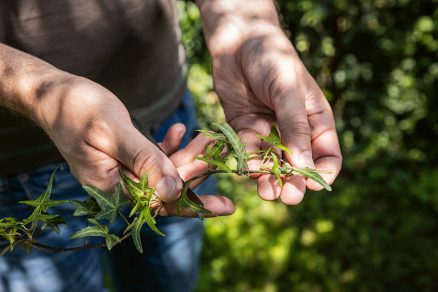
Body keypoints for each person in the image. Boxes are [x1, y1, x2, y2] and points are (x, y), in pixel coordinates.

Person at [0, 0, 342, 291]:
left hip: (170, 121)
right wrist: (39, 93)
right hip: (18, 167)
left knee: (171, 277)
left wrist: (246, 22)